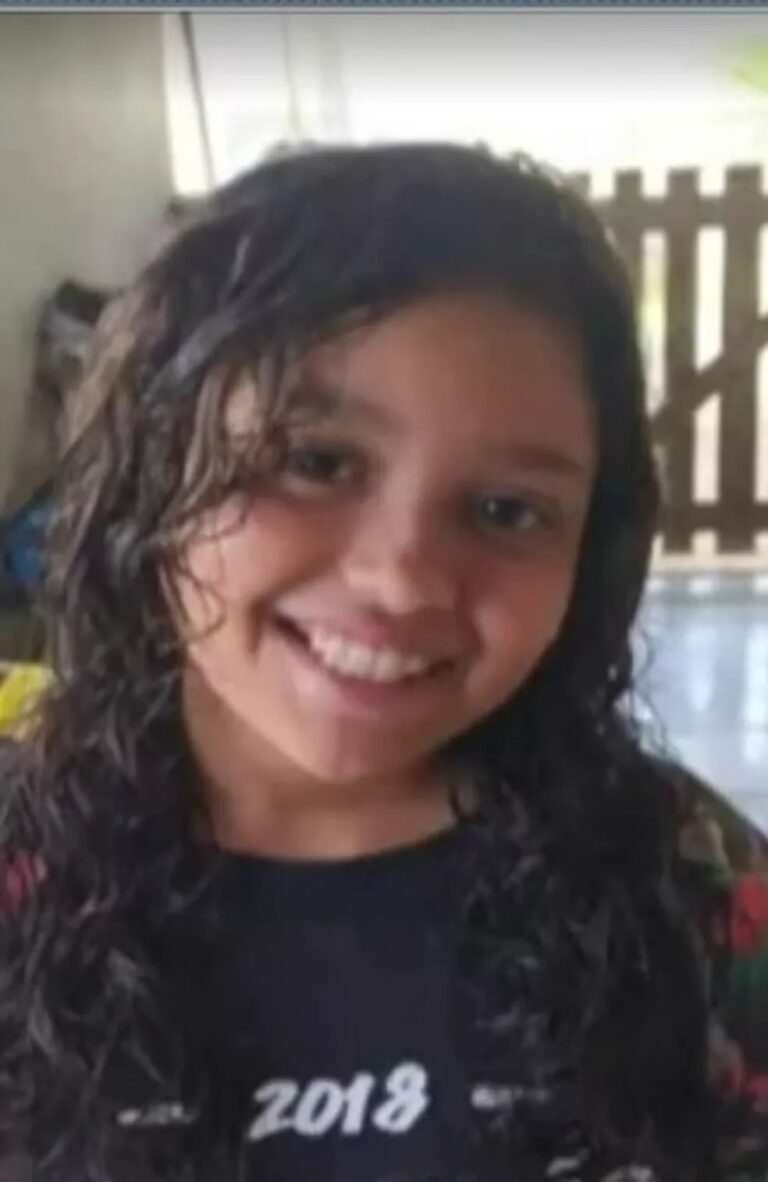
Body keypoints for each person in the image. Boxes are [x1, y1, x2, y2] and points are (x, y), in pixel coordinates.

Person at [0, 143, 765, 1182]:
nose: (402, 580)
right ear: (151, 466)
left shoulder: (689, 884)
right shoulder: (22, 872)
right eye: (315, 461)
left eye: (505, 510)